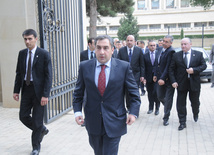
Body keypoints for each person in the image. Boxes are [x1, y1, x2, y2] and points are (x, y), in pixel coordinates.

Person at [73, 35, 141, 155]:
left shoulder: (123, 67)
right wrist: (78, 112)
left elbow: (134, 94)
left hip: (115, 120)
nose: (102, 52)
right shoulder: (85, 66)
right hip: (93, 120)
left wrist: (133, 112)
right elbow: (78, 92)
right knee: (98, 152)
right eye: (98, 48)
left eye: (106, 48)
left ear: (112, 49)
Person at [13, 29, 52, 155]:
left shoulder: (44, 54)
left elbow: (48, 76)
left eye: (30, 39)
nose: (27, 41)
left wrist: (45, 94)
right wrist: (16, 91)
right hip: (26, 89)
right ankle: (41, 130)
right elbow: (19, 73)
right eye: (25, 39)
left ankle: (36, 147)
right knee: (23, 116)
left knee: (36, 120)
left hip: (39, 92)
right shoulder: (22, 53)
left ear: (36, 39)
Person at [169, 38, 207, 131]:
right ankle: (182, 122)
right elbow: (171, 69)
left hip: (194, 83)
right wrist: (173, 81)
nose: (183, 46)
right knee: (180, 104)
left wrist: (194, 70)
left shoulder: (198, 54)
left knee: (195, 102)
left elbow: (204, 65)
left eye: (185, 44)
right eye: (182, 44)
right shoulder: (176, 56)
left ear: (190, 44)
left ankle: (195, 112)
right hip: (181, 84)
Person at [117, 35, 144, 109]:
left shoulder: (139, 50)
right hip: (124, 75)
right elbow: (118, 64)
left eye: (131, 40)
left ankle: (135, 108)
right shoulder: (121, 50)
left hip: (136, 75)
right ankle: (129, 107)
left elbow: (142, 64)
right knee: (127, 92)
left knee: (135, 92)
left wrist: (142, 76)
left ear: (134, 42)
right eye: (128, 40)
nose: (129, 42)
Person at [153, 35, 175, 126]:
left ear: (171, 43)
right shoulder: (160, 49)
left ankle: (166, 117)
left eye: (166, 42)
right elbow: (156, 63)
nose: (164, 43)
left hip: (168, 79)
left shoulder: (171, 51)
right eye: (164, 41)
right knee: (160, 96)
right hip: (159, 78)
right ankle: (168, 106)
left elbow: (168, 67)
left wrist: (163, 78)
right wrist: (155, 74)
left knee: (168, 98)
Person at [143, 40, 160, 115]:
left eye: (154, 45)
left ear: (156, 46)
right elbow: (143, 67)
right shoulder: (145, 55)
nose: (152, 47)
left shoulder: (159, 54)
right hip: (148, 77)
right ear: (148, 46)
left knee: (156, 92)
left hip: (157, 77)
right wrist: (143, 77)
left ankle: (157, 108)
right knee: (150, 93)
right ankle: (151, 108)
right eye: (151, 45)